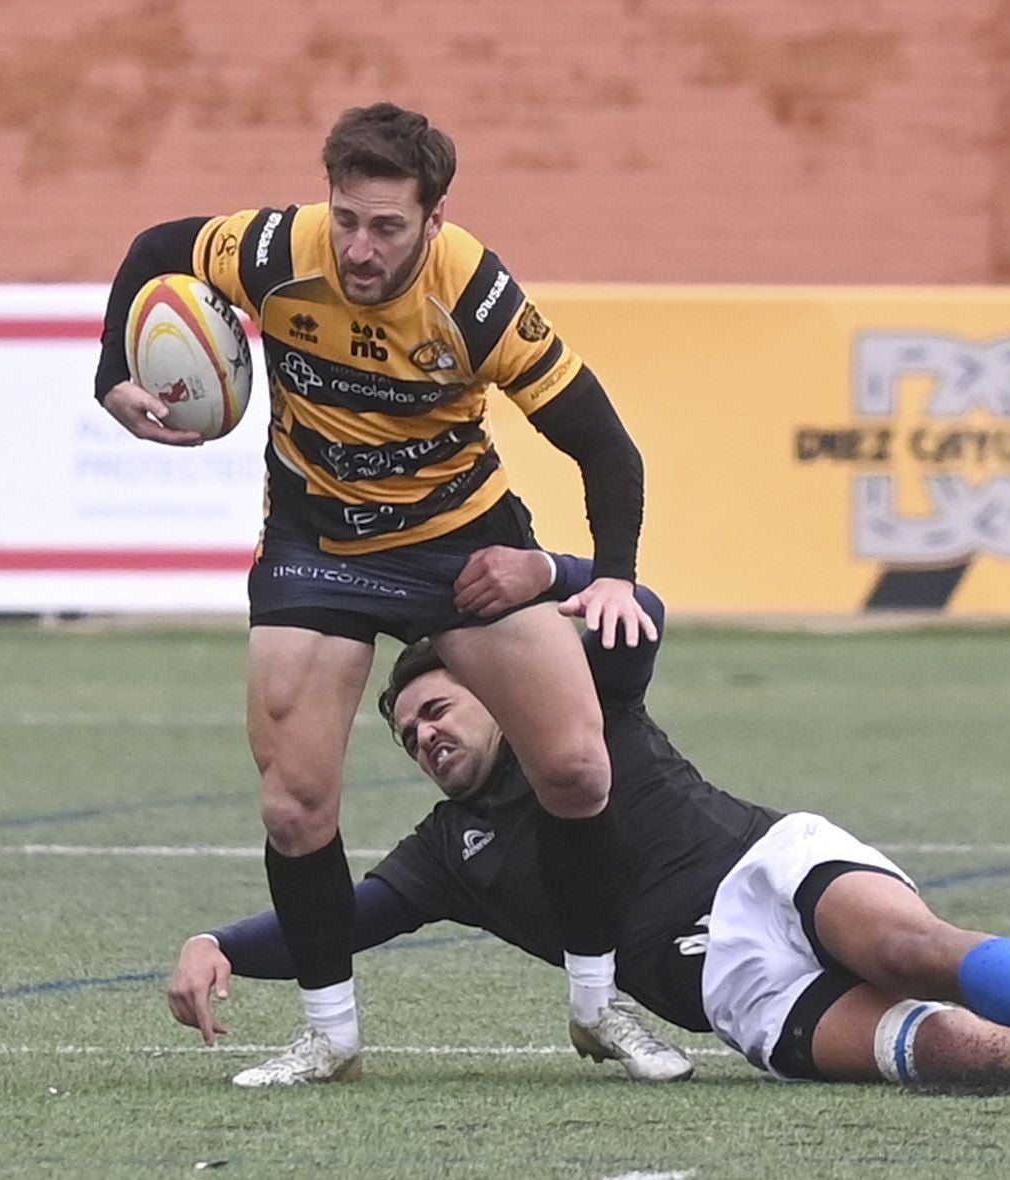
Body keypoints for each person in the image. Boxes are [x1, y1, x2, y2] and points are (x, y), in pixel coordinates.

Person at [167, 547, 1010, 1089]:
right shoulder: (449, 854)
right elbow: (347, 916)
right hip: (732, 990)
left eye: (434, 707)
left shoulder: (583, 715)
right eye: (407, 735)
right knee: (945, 1055)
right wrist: (224, 940)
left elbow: (645, 606)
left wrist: (544, 574)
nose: (425, 736)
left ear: (490, 685)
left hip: (763, 868)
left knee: (904, 946)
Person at [95, 103, 678, 1087]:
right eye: (348, 219)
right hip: (316, 541)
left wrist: (611, 570)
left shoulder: (478, 296)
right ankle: (331, 1033)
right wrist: (112, 369)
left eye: (387, 227)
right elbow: (158, 248)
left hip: (460, 541)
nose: (360, 248)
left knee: (577, 768)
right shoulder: (280, 248)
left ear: (434, 219)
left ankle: (594, 1003)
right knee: (295, 802)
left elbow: (604, 444)